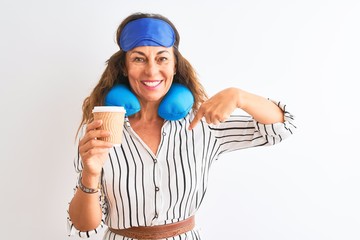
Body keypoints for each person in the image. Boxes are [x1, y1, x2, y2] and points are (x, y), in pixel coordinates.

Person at [67, 12, 296, 240]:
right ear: (124, 68)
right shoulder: (100, 132)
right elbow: (85, 228)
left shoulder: (203, 124)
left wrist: (239, 96)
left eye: (162, 58)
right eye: (138, 58)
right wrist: (90, 173)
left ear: (175, 65)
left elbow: (281, 128)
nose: (151, 70)